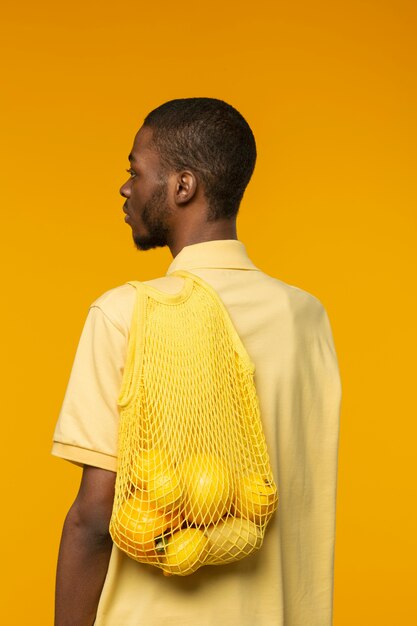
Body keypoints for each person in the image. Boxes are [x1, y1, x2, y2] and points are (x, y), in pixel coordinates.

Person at [52, 97, 342, 626]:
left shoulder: (128, 313)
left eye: (135, 171)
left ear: (183, 186)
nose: (126, 187)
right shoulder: (308, 319)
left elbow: (95, 517)